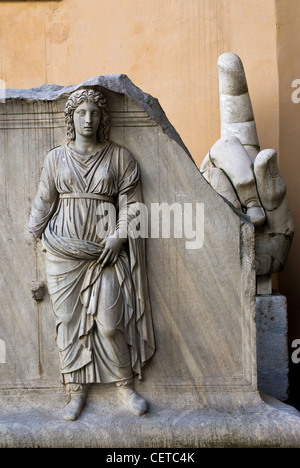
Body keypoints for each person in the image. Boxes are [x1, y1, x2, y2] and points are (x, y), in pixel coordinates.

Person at [28, 88, 155, 421]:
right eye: (81, 113)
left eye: (95, 113)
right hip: (62, 252)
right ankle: (75, 392)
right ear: (71, 117)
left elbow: (132, 206)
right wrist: (33, 236)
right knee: (68, 323)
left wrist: (118, 236)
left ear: (103, 118)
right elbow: (44, 201)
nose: (88, 119)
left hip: (105, 254)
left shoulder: (120, 157)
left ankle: (125, 385)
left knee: (111, 324)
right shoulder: (55, 158)